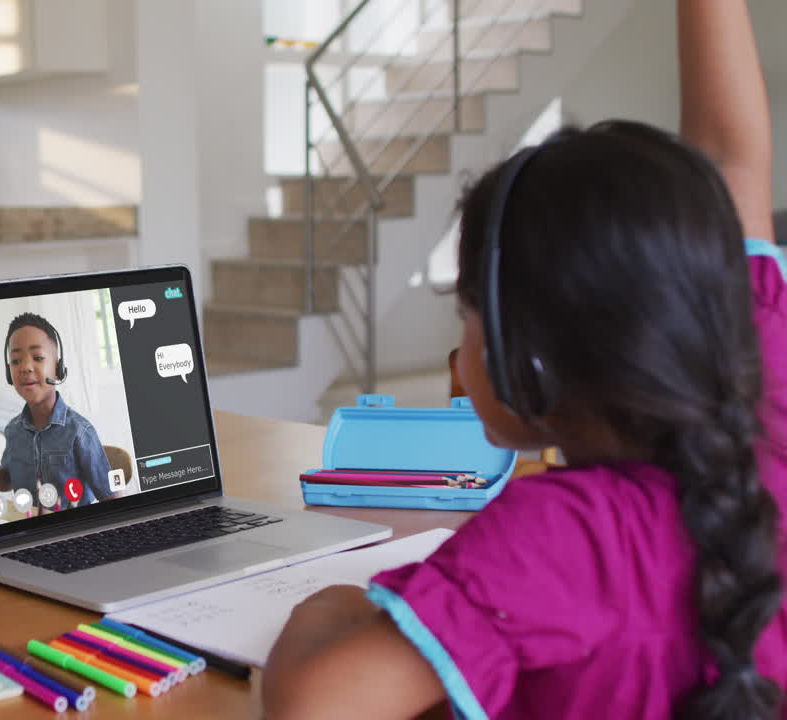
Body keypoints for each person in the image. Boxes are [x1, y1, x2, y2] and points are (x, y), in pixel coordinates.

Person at [261, 1, 787, 718]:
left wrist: (330, 604)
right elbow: (730, 159)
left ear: (527, 357)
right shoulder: (763, 376)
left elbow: (314, 707)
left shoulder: (560, 535)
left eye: (467, 312)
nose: (460, 347)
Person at [0, 312, 114, 512]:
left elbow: (111, 498)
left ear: (58, 368)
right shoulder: (13, 430)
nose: (25, 367)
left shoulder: (80, 431)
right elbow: (7, 478)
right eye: (16, 361)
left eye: (38, 357)